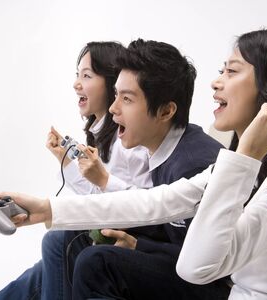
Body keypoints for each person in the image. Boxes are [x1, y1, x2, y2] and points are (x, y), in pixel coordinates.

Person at [0, 28, 267, 299]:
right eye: (221, 69)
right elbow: (158, 201)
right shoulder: (245, 164)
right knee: (63, 249)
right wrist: (47, 210)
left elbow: (196, 266)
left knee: (89, 260)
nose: (216, 81)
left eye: (232, 72)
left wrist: (246, 152)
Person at [61, 39, 227, 299]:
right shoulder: (162, 149)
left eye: (126, 99)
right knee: (69, 239)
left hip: (207, 285)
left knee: (96, 262)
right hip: (178, 261)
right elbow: (165, 223)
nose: (114, 109)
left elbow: (206, 261)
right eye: (116, 95)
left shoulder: (194, 165)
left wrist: (139, 245)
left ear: (165, 111)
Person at [0, 41, 152, 300]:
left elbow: (127, 202)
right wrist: (65, 160)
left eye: (86, 76)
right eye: (77, 75)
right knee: (37, 276)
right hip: (105, 230)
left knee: (55, 244)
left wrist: (95, 177)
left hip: (122, 237)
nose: (77, 83)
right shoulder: (102, 133)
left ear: (111, 82)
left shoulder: (128, 140)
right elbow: (97, 192)